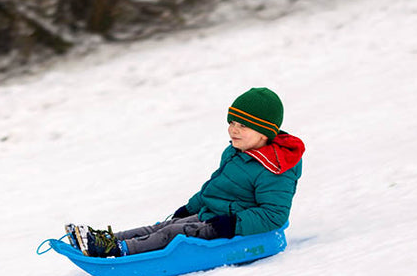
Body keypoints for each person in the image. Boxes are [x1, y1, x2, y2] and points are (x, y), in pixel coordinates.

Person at [66, 87, 305, 258]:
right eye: (232, 122)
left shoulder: (276, 168)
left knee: (174, 234)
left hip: (231, 225)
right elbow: (216, 187)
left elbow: (275, 215)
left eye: (243, 126)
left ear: (264, 133)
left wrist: (231, 224)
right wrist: (190, 207)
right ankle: (105, 240)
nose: (234, 130)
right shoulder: (235, 152)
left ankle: (118, 250)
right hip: (212, 212)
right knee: (161, 227)